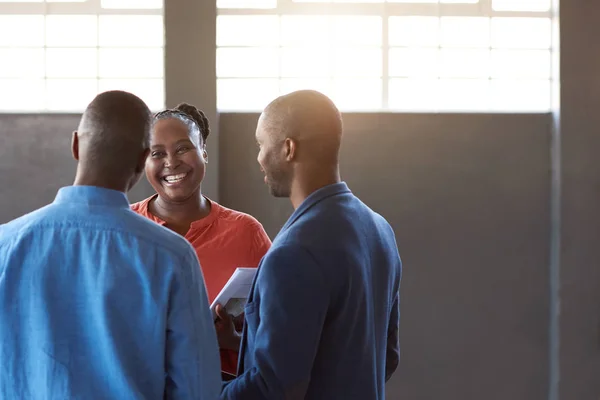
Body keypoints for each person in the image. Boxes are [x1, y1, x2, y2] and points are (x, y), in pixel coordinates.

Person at [0, 91, 221, 399]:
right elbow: (197, 389)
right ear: (144, 158)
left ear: (76, 145)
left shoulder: (6, 244)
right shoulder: (171, 256)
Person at [220, 90, 402, 399]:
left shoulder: (294, 252)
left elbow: (275, 387)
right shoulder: (379, 229)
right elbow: (382, 356)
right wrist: (245, 342)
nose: (259, 158)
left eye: (261, 144)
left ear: (288, 148)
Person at [131, 103, 271, 376]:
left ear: (204, 153)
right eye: (158, 153)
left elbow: (278, 333)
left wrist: (230, 340)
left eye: (183, 148)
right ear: (144, 162)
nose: (171, 162)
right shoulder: (123, 229)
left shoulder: (246, 232)